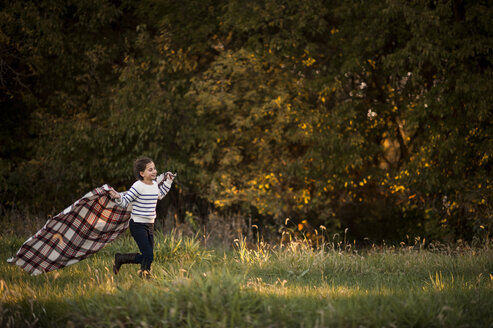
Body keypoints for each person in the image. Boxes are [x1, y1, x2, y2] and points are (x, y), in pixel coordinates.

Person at [109, 156, 175, 278]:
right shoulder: (138, 186)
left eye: (154, 168)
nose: (154, 171)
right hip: (137, 225)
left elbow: (159, 195)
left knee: (148, 255)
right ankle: (121, 259)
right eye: (150, 170)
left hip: (150, 225)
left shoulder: (154, 185)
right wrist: (117, 197)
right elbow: (124, 202)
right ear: (142, 173)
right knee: (149, 255)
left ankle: (144, 275)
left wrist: (168, 182)